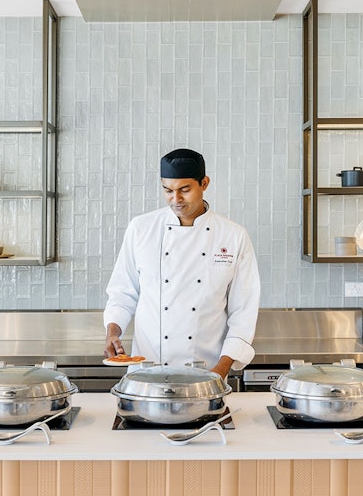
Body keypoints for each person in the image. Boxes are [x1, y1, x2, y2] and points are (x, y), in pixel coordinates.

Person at [103, 148, 261, 379]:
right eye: (168, 190)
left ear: (204, 183)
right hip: (146, 372)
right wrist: (113, 331)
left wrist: (220, 370)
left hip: (206, 372)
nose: (175, 199)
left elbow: (243, 312)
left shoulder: (233, 236)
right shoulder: (141, 229)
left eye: (184, 190)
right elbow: (123, 293)